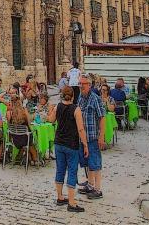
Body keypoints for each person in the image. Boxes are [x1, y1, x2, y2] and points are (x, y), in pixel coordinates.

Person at [49, 85, 88, 213]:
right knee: (72, 171)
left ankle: (60, 197)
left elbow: (51, 120)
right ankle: (71, 202)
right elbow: (80, 129)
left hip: (59, 143)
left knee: (60, 169)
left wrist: (51, 110)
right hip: (71, 144)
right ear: (73, 96)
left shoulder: (58, 106)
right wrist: (85, 144)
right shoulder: (76, 109)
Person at [77, 74, 106, 200]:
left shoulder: (95, 98)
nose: (80, 86)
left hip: (93, 136)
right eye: (80, 84)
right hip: (83, 137)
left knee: (95, 162)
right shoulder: (81, 97)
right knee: (87, 162)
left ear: (89, 85)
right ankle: (90, 184)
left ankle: (98, 189)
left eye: (83, 84)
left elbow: (102, 117)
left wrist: (101, 136)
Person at [6, 95, 39, 164]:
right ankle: (35, 159)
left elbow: (9, 125)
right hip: (25, 139)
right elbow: (29, 122)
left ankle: (29, 158)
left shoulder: (9, 113)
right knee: (30, 138)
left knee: (25, 137)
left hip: (15, 139)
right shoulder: (24, 111)